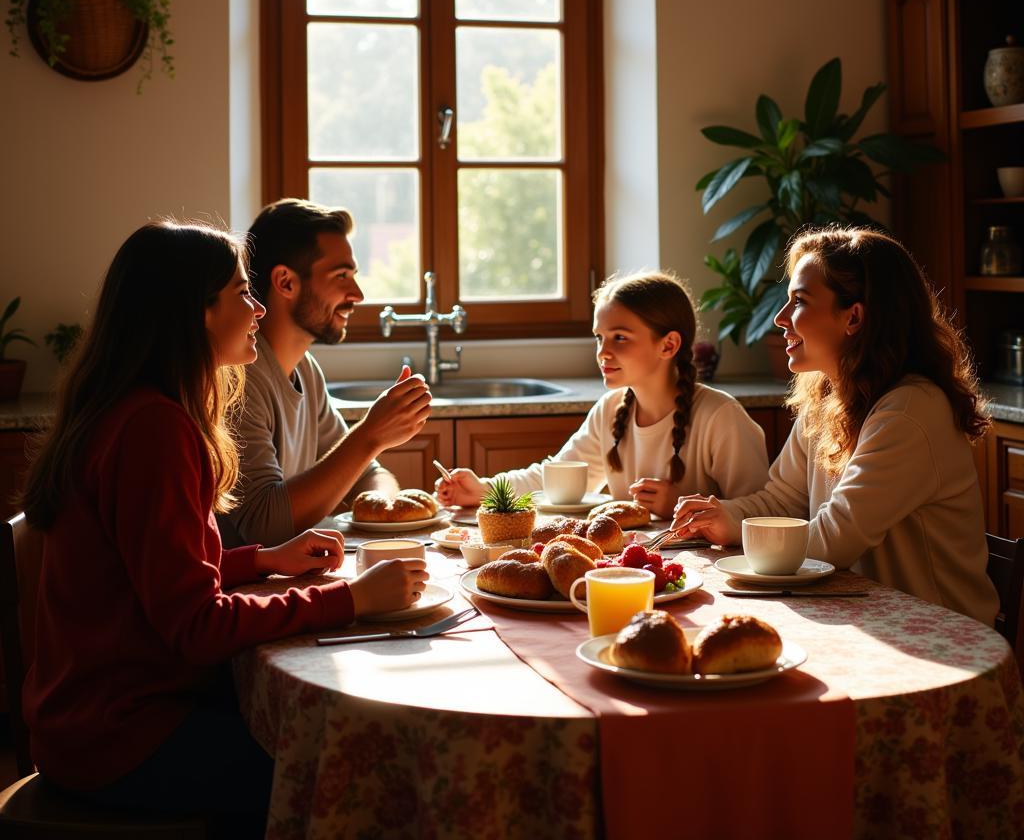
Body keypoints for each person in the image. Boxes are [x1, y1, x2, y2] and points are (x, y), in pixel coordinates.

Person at [19, 221, 428, 834]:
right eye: (242, 293)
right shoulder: (153, 431)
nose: (258, 308)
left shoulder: (134, 411)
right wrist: (350, 599)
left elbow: (152, 574)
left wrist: (263, 561)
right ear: (198, 312)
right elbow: (196, 626)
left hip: (86, 720)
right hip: (122, 739)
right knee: (357, 770)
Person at [671, 225, 999, 625]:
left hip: (941, 634)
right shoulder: (827, 398)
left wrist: (739, 529)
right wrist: (722, 515)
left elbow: (833, 542)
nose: (780, 318)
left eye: (799, 302)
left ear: (854, 317)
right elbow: (782, 500)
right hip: (866, 618)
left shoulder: (911, 410)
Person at [436, 270, 769, 518]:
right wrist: (485, 489)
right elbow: (555, 477)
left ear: (668, 344)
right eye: (599, 337)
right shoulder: (610, 410)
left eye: (620, 338)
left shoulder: (720, 416)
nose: (603, 352)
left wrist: (683, 507)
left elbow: (763, 515)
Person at [221, 198, 432, 546]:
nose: (358, 295)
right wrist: (370, 435)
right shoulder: (239, 377)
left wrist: (388, 507)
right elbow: (263, 526)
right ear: (286, 282)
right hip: (245, 592)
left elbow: (365, 474)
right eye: (341, 276)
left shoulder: (305, 368)